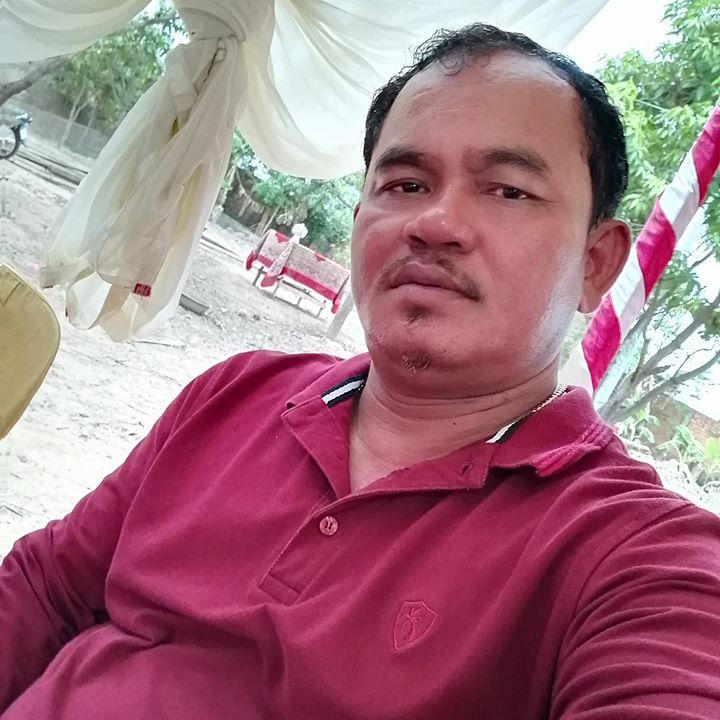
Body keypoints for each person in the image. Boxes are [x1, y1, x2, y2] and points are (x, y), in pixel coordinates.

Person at [1, 22, 719, 720]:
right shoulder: (237, 393)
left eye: (507, 190)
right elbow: (45, 589)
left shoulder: (632, 554)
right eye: (404, 184)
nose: (435, 223)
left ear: (595, 263)